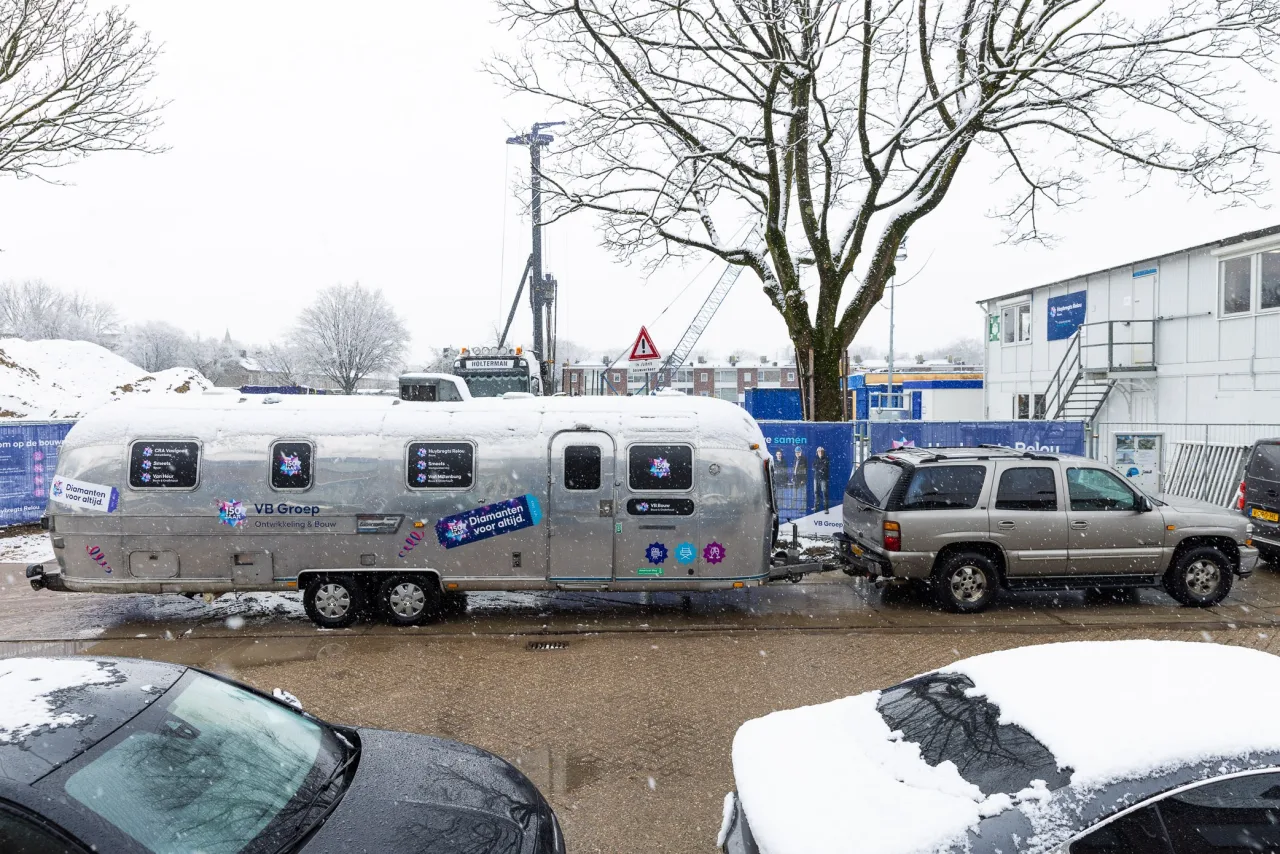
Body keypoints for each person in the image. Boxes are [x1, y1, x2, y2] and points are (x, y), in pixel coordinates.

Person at [792, 446, 809, 514]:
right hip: (795, 479)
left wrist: (804, 479)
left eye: (798, 452)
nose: (797, 453)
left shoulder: (804, 459)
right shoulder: (795, 459)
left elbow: (806, 470)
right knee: (794, 494)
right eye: (796, 452)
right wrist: (793, 477)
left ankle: (803, 507)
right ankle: (793, 506)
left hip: (801, 480)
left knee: (803, 494)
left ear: (801, 452)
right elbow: (794, 469)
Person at [814, 446, 830, 512]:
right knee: (816, 492)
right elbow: (814, 467)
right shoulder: (815, 459)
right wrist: (820, 468)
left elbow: (824, 468)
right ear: (817, 452)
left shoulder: (826, 459)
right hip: (816, 478)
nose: (820, 452)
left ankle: (826, 508)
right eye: (819, 451)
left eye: (821, 451)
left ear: (823, 452)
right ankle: (816, 507)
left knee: (824, 492)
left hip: (823, 478)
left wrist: (819, 468)